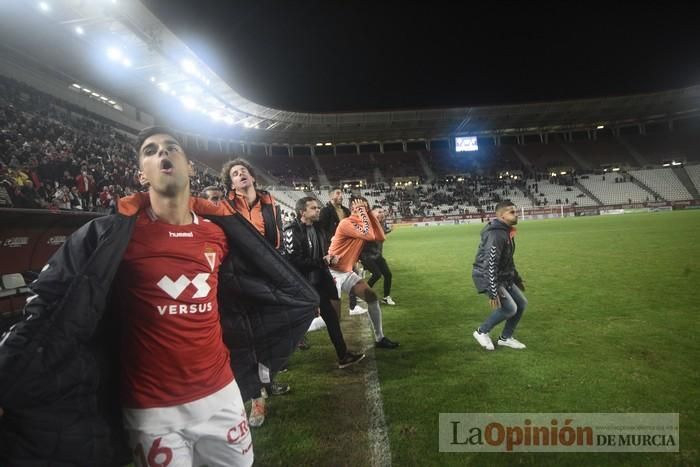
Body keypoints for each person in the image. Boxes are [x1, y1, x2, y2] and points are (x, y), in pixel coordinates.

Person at [0, 126, 317, 466]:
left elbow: (252, 292)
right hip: (151, 409)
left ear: (190, 167)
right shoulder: (112, 236)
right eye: (151, 151)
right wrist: (9, 372)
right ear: (141, 174)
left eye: (171, 148)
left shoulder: (220, 234)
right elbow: (51, 306)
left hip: (222, 396)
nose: (162, 153)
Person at [220, 157, 289, 427]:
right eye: (235, 173)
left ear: (252, 176)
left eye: (244, 171)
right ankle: (256, 398)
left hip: (266, 275)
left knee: (268, 335)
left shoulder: (269, 203)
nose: (240, 175)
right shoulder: (225, 205)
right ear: (231, 183)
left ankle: (267, 383)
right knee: (246, 339)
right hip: (238, 279)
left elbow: (276, 239)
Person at [284, 196, 366, 368]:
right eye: (313, 208)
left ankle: (342, 355)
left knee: (332, 316)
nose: (317, 210)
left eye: (317, 207)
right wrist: (324, 261)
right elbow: (294, 262)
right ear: (302, 212)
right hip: (305, 282)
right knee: (317, 317)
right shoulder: (291, 231)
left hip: (322, 277)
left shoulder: (318, 227)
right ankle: (342, 356)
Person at [328, 196, 399, 349]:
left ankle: (380, 338)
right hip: (332, 272)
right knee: (332, 318)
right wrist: (362, 211)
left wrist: (369, 214)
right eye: (360, 207)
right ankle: (299, 330)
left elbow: (380, 237)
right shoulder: (346, 223)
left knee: (372, 298)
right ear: (354, 209)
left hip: (345, 272)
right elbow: (369, 235)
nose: (364, 210)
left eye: (366, 207)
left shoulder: (362, 222)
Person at [471, 201, 527, 351]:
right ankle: (481, 332)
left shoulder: (506, 231)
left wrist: (517, 278)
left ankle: (505, 338)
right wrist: (492, 291)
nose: (516, 214)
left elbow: (508, 259)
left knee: (521, 304)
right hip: (487, 276)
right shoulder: (496, 234)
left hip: (502, 276)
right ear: (502, 215)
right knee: (510, 308)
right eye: (512, 212)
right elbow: (490, 264)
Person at [319, 187, 366, 315]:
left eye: (342, 193)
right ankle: (327, 313)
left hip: (347, 251)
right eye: (338, 193)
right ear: (330, 196)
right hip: (333, 251)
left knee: (354, 274)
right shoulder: (325, 212)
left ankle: (352, 307)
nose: (341, 195)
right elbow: (321, 232)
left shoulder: (346, 210)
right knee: (334, 284)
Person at [360, 205, 396, 306]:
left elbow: (382, 235)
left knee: (388, 274)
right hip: (367, 255)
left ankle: (386, 297)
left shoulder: (380, 224)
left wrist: (388, 230)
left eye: (382, 212)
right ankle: (362, 293)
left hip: (377, 255)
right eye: (379, 212)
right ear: (372, 213)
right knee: (377, 274)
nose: (382, 214)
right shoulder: (368, 224)